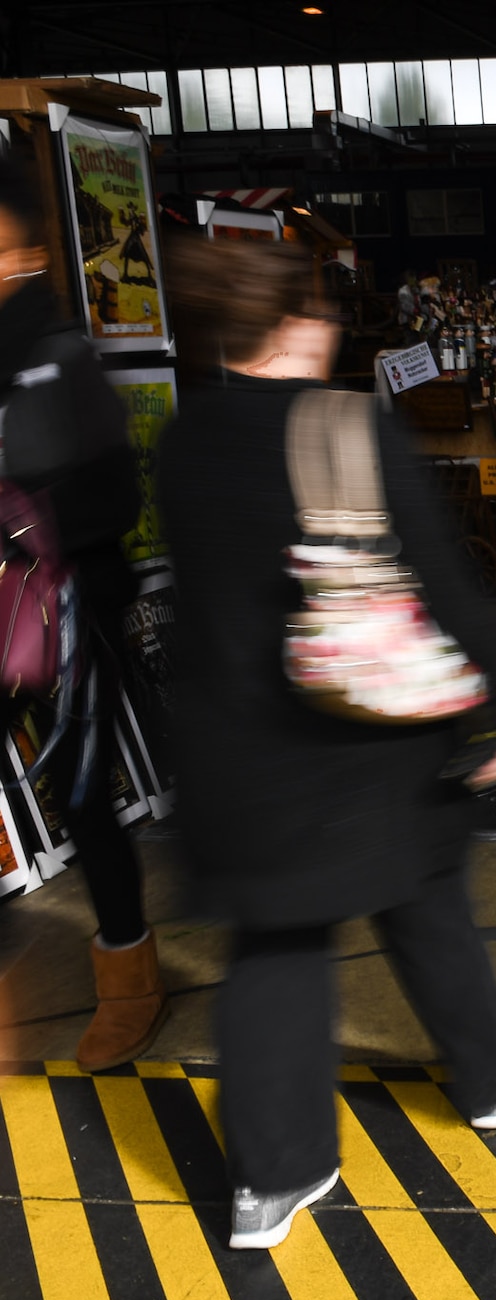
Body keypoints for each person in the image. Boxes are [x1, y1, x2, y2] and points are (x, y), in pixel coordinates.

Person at [158, 234, 496, 1251]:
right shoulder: (347, 425)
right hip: (364, 734)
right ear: (300, 324)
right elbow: (445, 579)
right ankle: (492, 1078)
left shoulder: (182, 436)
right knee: (424, 895)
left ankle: (273, 1179)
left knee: (277, 944)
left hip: (234, 751)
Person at [0, 157, 160, 1073]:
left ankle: (130, 979)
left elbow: (111, 489)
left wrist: (34, 531)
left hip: (62, 613)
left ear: (22, 247)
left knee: (83, 796)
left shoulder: (56, 350)